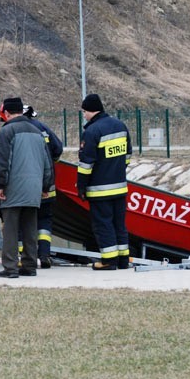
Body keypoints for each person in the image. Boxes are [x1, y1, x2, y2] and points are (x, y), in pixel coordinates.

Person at [0, 97, 53, 278]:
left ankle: (10, 268)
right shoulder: (37, 131)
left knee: (10, 228)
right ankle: (30, 266)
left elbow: (0, 162)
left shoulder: (5, 133)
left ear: (7, 113)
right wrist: (45, 185)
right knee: (30, 228)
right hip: (34, 188)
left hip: (13, 187)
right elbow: (47, 162)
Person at [77, 93, 132, 270]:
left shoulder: (92, 131)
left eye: (84, 112)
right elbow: (127, 155)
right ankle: (123, 260)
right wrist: (115, 171)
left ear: (90, 111)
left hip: (100, 190)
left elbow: (86, 164)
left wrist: (82, 186)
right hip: (119, 187)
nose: (84, 115)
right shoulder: (120, 126)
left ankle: (108, 261)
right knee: (119, 224)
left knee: (103, 225)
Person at [23, 105, 63, 268]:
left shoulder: (14, 129)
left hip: (25, 185)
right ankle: (44, 255)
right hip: (47, 183)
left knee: (22, 220)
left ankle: (24, 257)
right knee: (44, 220)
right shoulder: (43, 128)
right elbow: (58, 149)